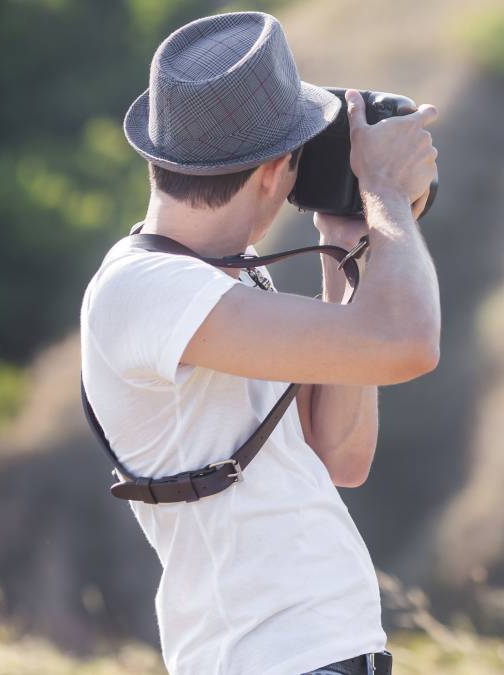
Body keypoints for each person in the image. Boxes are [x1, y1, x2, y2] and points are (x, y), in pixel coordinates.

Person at [79, 12, 440, 675]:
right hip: (266, 658)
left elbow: (341, 453)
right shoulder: (147, 290)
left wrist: (345, 239)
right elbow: (408, 342)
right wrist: (384, 190)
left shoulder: (227, 278)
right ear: (276, 169)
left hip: (326, 652)